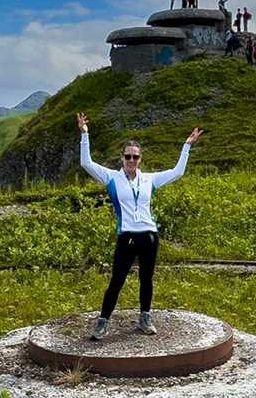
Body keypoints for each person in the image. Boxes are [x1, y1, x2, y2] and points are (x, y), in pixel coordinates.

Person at [77, 112, 202, 339]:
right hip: (126, 237)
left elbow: (177, 172)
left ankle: (145, 317)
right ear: (122, 158)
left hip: (149, 237)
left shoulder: (150, 179)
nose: (131, 161)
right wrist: (85, 134)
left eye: (135, 157)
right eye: (128, 157)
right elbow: (86, 163)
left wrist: (187, 146)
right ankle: (103, 322)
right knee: (117, 280)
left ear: (140, 159)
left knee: (147, 279)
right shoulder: (111, 178)